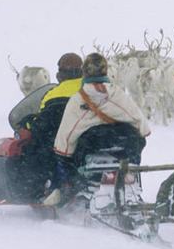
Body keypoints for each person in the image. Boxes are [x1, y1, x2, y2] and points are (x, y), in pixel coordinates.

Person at [44, 52, 151, 205]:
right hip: (124, 147)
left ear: (84, 72)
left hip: (91, 147)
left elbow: (66, 135)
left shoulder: (78, 99)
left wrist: (63, 156)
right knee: (135, 140)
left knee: (63, 157)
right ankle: (130, 176)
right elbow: (142, 125)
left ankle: (67, 190)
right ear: (105, 71)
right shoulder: (117, 93)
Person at [15, 53, 83, 202]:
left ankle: (39, 192)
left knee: (33, 150)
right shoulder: (91, 89)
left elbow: (42, 121)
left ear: (60, 74)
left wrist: (27, 123)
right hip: (86, 141)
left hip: (61, 144)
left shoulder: (53, 94)